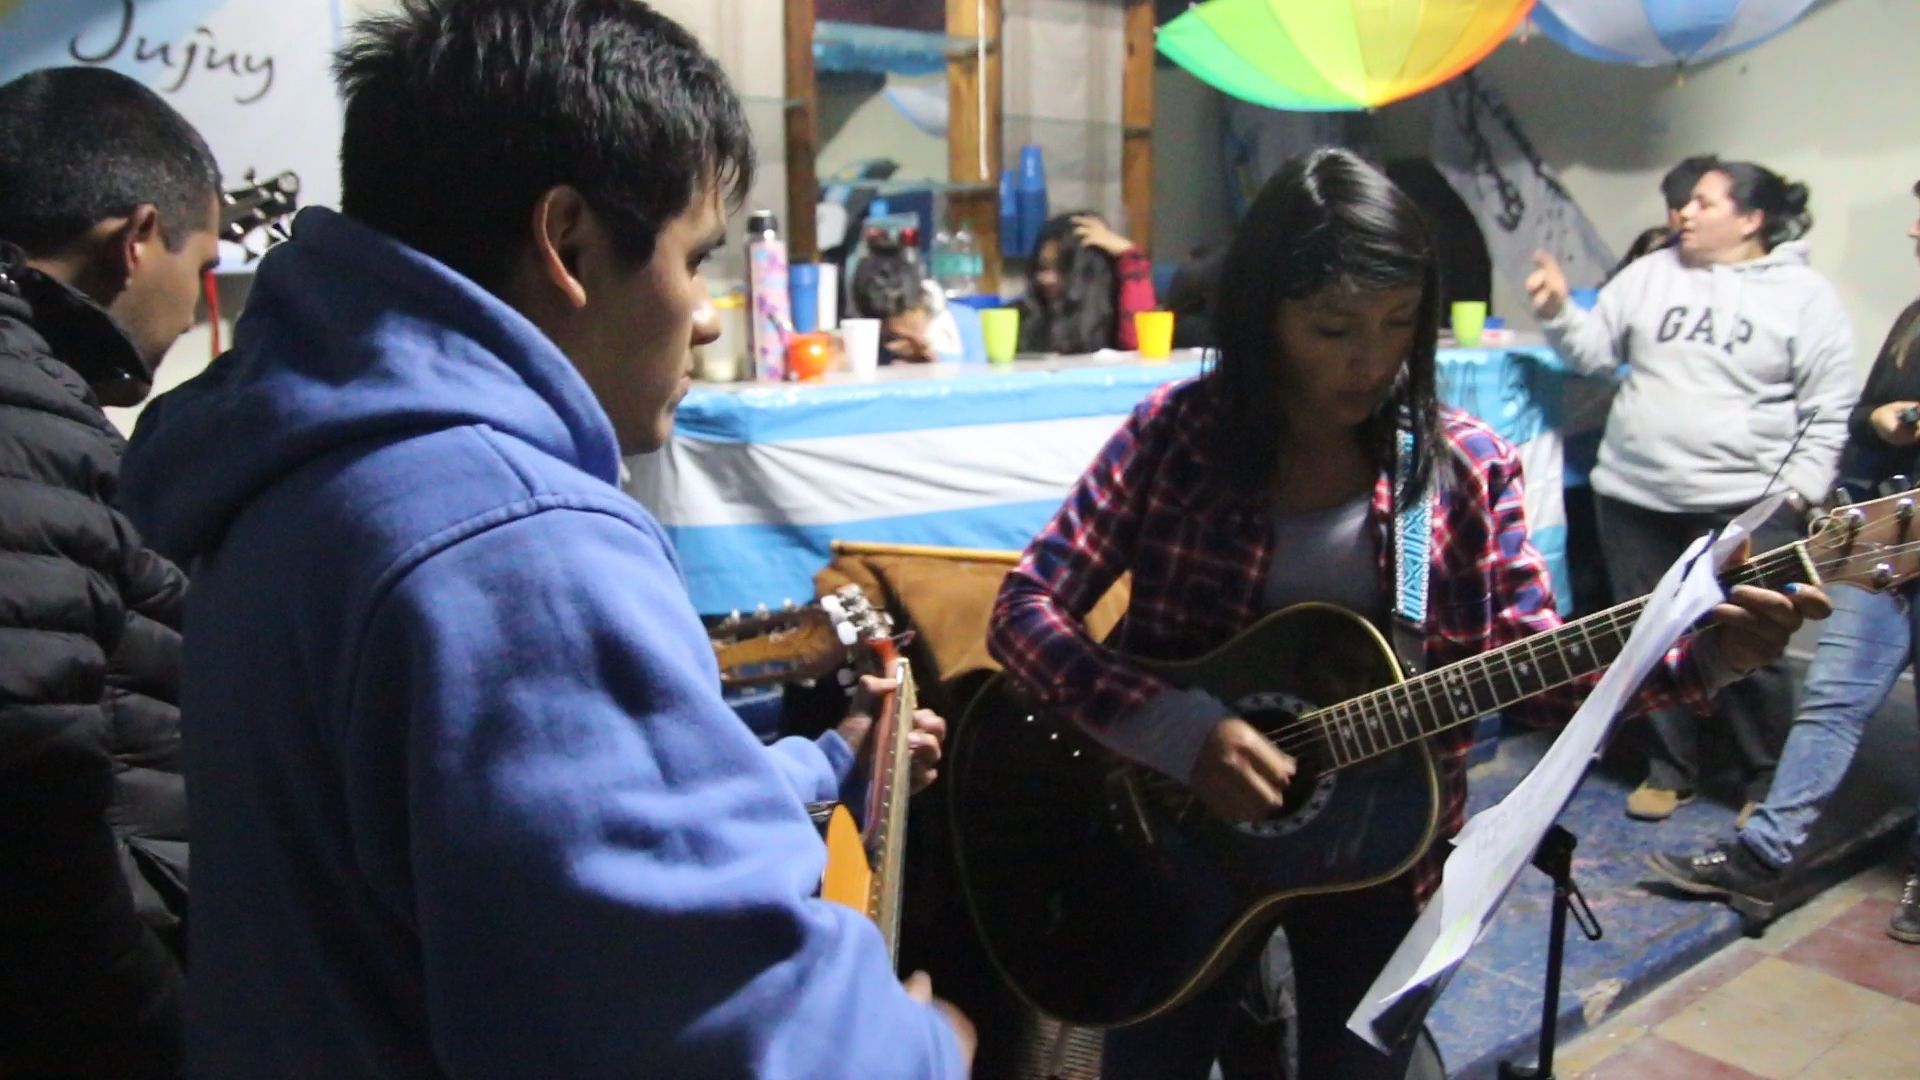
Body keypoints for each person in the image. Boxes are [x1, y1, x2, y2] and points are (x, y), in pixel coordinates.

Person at [118, 2, 971, 1076]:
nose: (708, 314)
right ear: (568, 244)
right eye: (695, 257)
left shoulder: (300, 464)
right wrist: (921, 1050)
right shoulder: (518, 547)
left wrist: (825, 760)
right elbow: (718, 1025)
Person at [986, 147, 1827, 1080]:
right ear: (1262, 313)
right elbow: (1024, 610)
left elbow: (1534, 671)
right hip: (1167, 848)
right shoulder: (1177, 435)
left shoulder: (1463, 465)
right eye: (1332, 327)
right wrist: (1177, 731)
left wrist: (1705, 657)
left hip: (1381, 858)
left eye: (1397, 323)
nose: (1370, 361)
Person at [0, 66, 218, 1079]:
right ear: (137, 239)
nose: (194, 312)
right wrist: (155, 1020)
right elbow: (28, 779)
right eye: (201, 266)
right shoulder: (27, 419)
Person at [1529, 160, 1858, 824]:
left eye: (1705, 203)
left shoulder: (1804, 295)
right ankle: (1669, 769)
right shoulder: (1649, 274)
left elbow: (1830, 407)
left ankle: (1763, 779)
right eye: (1688, 203)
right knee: (1645, 638)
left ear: (1751, 219)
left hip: (1746, 502)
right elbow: (1594, 354)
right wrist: (1559, 311)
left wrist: (1798, 494)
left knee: (1755, 638)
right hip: (1633, 494)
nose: (1685, 212)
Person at [1646, 179, 1920, 942]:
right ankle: (1761, 859)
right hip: (1884, 547)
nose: (1914, 230)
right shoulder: (1913, 318)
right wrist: (1876, 430)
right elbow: (1859, 420)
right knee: (1832, 699)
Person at [1016, 211, 1157, 354]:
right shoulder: (1027, 314)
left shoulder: (1114, 313)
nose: (1047, 279)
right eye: (1043, 268)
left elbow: (1138, 345)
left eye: (1062, 269)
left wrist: (1131, 258)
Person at [848, 237, 964, 363]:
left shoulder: (962, 327)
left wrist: (934, 361)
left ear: (923, 299)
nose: (917, 341)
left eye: (915, 328)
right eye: (896, 338)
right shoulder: (869, 352)